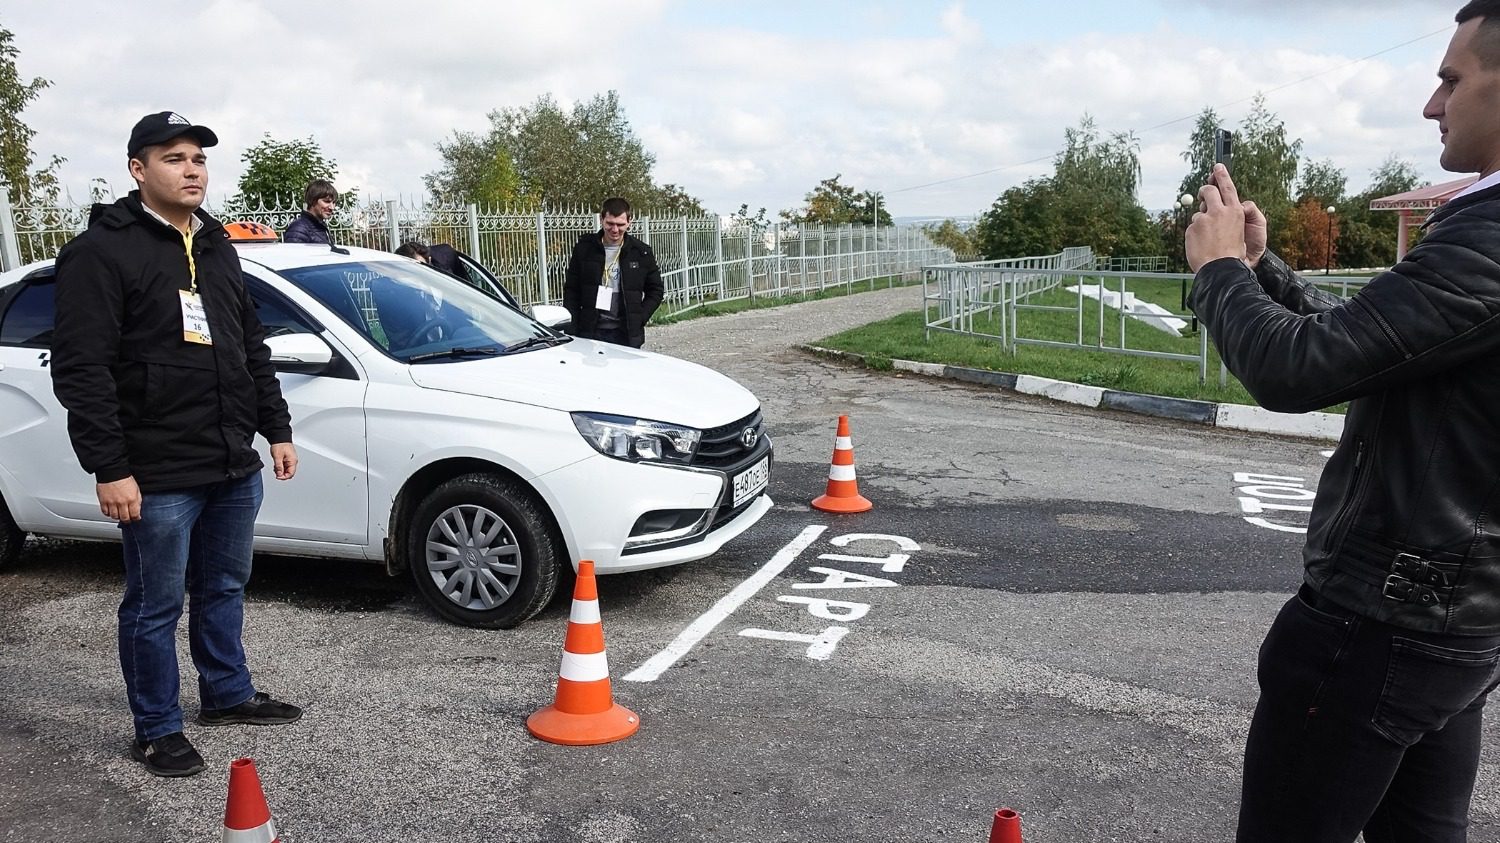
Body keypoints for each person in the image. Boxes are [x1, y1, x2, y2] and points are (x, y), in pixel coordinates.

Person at [1185, 4, 1500, 839]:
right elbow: (1371, 344)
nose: (1434, 106)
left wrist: (1217, 271)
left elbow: (1296, 369)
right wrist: (1263, 271)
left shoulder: (1490, 235)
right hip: (1455, 622)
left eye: (1452, 79)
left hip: (1383, 622)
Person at [50, 111, 303, 778]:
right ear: (138, 169)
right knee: (153, 605)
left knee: (223, 585)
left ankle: (226, 692)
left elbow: (249, 345)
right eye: (174, 157)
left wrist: (274, 426)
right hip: (156, 471)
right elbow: (83, 368)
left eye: (198, 158)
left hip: (228, 461)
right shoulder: (101, 253)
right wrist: (110, 466)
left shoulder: (217, 245)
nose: (192, 169)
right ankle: (157, 726)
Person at [563, 197, 663, 347]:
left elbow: (656, 290)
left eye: (620, 224)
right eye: (610, 223)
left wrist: (639, 318)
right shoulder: (584, 249)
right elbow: (572, 290)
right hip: (590, 332)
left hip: (627, 335)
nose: (615, 230)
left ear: (629, 222)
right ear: (601, 219)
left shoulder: (641, 252)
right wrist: (574, 324)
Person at [282, 178, 337, 244]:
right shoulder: (298, 229)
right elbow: (293, 253)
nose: (332, 207)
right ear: (313, 201)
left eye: (333, 202)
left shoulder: (319, 227)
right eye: (327, 201)